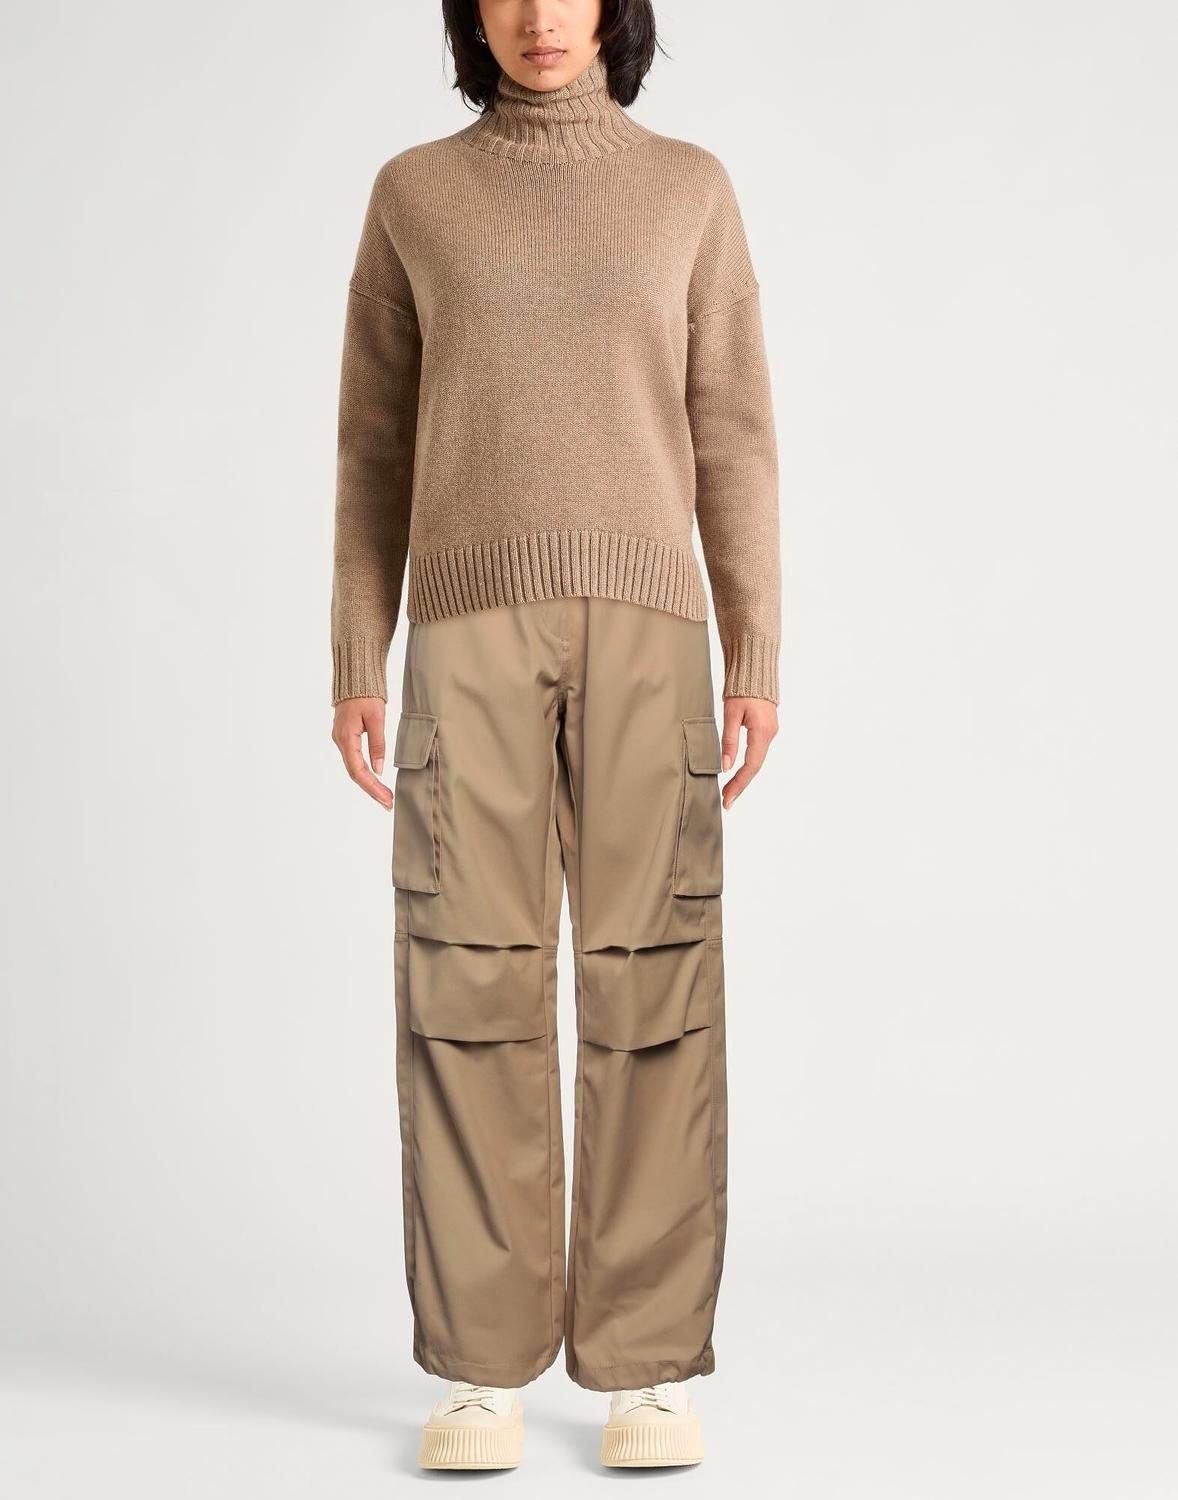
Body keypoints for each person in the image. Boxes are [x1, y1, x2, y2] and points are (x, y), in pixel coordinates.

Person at [329, 0, 780, 1472]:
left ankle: (648, 1365)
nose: (539, 16)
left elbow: (733, 429)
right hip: (463, 630)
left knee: (657, 982)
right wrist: (355, 653)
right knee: (466, 980)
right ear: (469, 12)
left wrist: (755, 648)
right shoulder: (415, 193)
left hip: (653, 630)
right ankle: (480, 1368)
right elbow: (372, 443)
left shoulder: (688, 189)